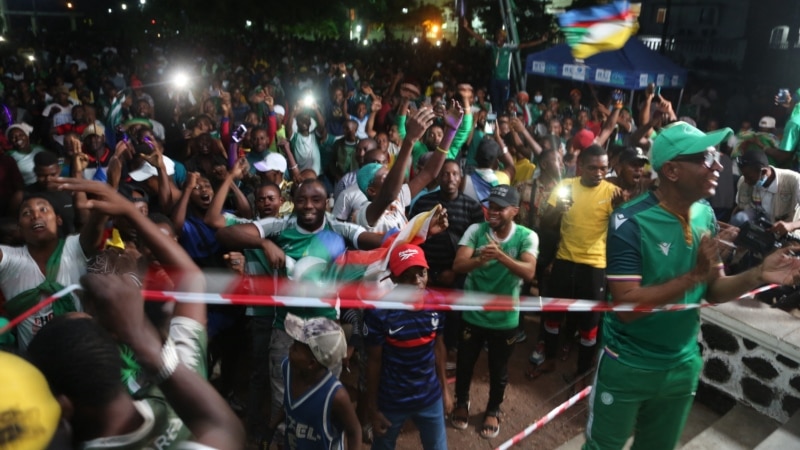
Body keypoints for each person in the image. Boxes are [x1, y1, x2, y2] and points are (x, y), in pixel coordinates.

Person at [583, 121, 800, 449]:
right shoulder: (629, 222)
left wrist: (757, 275)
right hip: (628, 363)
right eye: (705, 157)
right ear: (671, 170)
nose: (717, 163)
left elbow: (713, 288)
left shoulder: (705, 215)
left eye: (715, 154)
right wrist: (693, 276)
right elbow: (627, 307)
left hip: (682, 364)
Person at [451, 185, 538, 439]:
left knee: (498, 367)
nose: (493, 212)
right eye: (491, 206)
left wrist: (500, 256)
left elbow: (529, 272)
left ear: (515, 211)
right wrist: (481, 259)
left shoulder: (527, 236)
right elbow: (458, 265)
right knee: (465, 363)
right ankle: (461, 401)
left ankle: (493, 408)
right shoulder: (476, 231)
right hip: (472, 313)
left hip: (505, 317)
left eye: (500, 208)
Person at [532, 144, 620, 383]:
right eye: (593, 168)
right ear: (580, 167)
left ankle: (582, 371)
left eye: (603, 168)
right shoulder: (565, 186)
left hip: (594, 267)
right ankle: (549, 358)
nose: (599, 173)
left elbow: (622, 231)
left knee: (589, 325)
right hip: (564, 262)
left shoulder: (613, 193)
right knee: (553, 316)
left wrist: (622, 210)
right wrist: (558, 210)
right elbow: (546, 224)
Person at [364, 244, 451, 450]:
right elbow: (373, 362)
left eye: (421, 273)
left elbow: (439, 348)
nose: (417, 282)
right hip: (392, 401)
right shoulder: (380, 313)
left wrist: (445, 391)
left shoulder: (437, 304)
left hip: (429, 396)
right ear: (394, 279)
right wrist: (373, 409)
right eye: (407, 277)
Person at [266, 313, 361, 450]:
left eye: (296, 348)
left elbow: (354, 431)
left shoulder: (335, 395)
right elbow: (289, 404)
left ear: (311, 364)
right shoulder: (288, 367)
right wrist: (271, 427)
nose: (290, 349)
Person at [460, 17, 547, 113]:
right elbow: (479, 38)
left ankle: (503, 118)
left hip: (504, 80)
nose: (498, 38)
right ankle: (495, 119)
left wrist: (541, 40)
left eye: (501, 37)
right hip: (494, 79)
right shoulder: (492, 45)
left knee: (504, 103)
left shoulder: (508, 47)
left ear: (504, 38)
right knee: (494, 102)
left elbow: (524, 45)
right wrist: (466, 27)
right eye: (497, 36)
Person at [730, 148, 800, 236]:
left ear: (764, 172)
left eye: (750, 177)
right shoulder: (743, 182)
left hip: (787, 233)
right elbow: (740, 208)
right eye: (744, 176)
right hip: (758, 230)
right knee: (739, 219)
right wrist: (732, 225)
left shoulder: (794, 181)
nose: (746, 181)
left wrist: (791, 226)